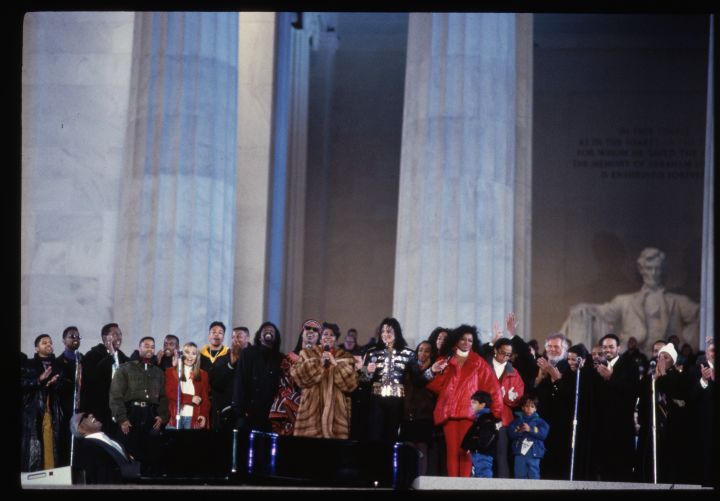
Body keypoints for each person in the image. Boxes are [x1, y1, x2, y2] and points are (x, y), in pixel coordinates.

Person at [565, 247, 700, 355]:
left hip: (668, 355)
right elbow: (604, 312)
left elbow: (702, 314)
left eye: (657, 269)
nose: (653, 273)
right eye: (649, 268)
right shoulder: (625, 301)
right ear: (641, 269)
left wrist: (688, 340)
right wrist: (585, 307)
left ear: (662, 270)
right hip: (633, 353)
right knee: (580, 314)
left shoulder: (677, 301)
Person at [425, 324, 503, 477]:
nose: (467, 342)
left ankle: (464, 488)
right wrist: (434, 374)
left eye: (470, 340)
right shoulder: (445, 359)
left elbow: (492, 387)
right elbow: (436, 385)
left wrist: (496, 413)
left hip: (470, 412)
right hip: (450, 412)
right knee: (452, 451)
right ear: (456, 340)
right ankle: (454, 487)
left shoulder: (478, 362)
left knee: (465, 451)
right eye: (463, 339)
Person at [636, 343, 691, 484]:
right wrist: (654, 380)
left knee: (667, 466)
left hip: (669, 429)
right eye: (660, 356)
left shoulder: (678, 377)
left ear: (672, 362)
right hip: (650, 428)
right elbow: (641, 401)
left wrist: (663, 377)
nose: (661, 360)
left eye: (666, 358)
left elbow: (679, 400)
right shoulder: (649, 378)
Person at [291, 321, 358, 438]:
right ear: (320, 338)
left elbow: (351, 384)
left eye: (331, 335)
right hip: (311, 413)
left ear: (336, 339)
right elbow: (298, 377)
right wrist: (318, 363)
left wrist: (335, 364)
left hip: (336, 414)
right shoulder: (307, 354)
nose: (328, 337)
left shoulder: (345, 357)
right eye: (325, 334)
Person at [109, 336, 168, 467]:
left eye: (152, 347)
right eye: (146, 346)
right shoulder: (125, 368)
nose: (150, 349)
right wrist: (122, 418)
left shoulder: (158, 372)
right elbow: (115, 395)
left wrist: (162, 417)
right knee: (127, 454)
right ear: (139, 347)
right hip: (131, 414)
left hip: (150, 415)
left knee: (151, 455)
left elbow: (163, 397)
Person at [361, 317, 422, 443]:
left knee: (392, 437)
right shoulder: (371, 353)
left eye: (389, 331)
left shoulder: (408, 354)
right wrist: (367, 372)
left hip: (397, 401)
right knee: (374, 437)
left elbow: (418, 380)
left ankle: (390, 462)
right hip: (376, 401)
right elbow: (362, 381)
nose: (385, 334)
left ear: (397, 332)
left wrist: (432, 371)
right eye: (382, 331)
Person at [593, 333, 640, 481]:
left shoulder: (630, 365)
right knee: (603, 471)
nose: (607, 350)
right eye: (605, 347)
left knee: (621, 471)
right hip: (602, 427)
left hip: (622, 427)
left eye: (611, 347)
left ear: (618, 348)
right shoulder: (597, 366)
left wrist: (610, 378)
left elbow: (632, 392)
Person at [21, 334, 65, 472]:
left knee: (53, 448)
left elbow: (67, 386)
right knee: (35, 451)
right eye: (44, 342)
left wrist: (55, 384)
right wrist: (39, 380)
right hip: (33, 414)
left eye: (50, 342)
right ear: (36, 348)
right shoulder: (27, 364)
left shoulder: (59, 365)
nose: (48, 344)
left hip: (54, 413)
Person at [269, 320, 321, 435]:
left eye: (315, 330)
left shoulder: (322, 361)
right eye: (308, 328)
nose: (311, 331)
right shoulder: (289, 358)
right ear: (302, 333)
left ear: (319, 337)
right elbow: (282, 384)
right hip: (290, 409)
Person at [482, 337, 524, 478]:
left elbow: (518, 395)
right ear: (495, 350)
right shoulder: (484, 366)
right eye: (502, 353)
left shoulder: (514, 372)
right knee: (482, 454)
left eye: (508, 354)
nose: (505, 357)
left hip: (504, 419)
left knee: (501, 455)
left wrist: (507, 397)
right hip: (484, 416)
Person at [233, 321, 285, 433]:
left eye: (272, 331)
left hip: (270, 412)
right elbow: (240, 381)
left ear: (275, 337)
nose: (269, 332)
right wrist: (240, 409)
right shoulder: (247, 353)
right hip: (249, 411)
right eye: (265, 330)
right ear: (260, 336)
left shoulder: (280, 358)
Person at [531, 332, 570, 479]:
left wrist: (552, 372)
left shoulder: (568, 365)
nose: (553, 350)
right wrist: (539, 378)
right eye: (550, 347)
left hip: (560, 420)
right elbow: (532, 391)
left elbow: (567, 392)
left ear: (564, 349)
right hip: (541, 419)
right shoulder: (539, 365)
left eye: (557, 347)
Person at [81, 323, 129, 434]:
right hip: (99, 408)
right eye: (115, 334)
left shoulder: (123, 358)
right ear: (104, 337)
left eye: (120, 334)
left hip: (118, 409)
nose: (119, 337)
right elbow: (91, 377)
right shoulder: (92, 355)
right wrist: (110, 356)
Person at [70, 411, 140, 484]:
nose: (91, 415)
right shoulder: (87, 447)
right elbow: (102, 475)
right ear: (81, 430)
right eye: (84, 417)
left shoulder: (109, 438)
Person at [399, 340, 436, 476]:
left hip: (425, 415)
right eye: (420, 350)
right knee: (408, 448)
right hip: (408, 414)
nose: (423, 353)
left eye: (427, 350)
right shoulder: (410, 368)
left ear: (431, 354)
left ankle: (421, 481)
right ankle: (408, 480)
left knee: (422, 449)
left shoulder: (435, 369)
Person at [208, 326, 250, 431]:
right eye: (233, 337)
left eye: (239, 337)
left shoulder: (254, 358)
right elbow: (216, 383)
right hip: (226, 413)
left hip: (248, 414)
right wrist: (230, 365)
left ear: (247, 338)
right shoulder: (222, 359)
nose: (235, 340)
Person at [165, 342, 211, 429]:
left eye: (194, 354)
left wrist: (203, 415)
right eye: (187, 352)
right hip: (176, 417)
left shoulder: (203, 374)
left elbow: (205, 399)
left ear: (197, 357)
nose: (190, 357)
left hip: (193, 418)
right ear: (182, 355)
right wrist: (191, 399)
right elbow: (170, 393)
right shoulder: (172, 371)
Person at [687, 338, 714, 486]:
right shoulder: (695, 370)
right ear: (707, 354)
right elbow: (691, 396)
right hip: (704, 426)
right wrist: (704, 381)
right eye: (712, 351)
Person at [55, 325, 82, 466]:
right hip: (65, 411)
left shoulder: (83, 360)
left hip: (80, 411)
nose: (76, 339)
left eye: (78, 337)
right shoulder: (58, 362)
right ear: (64, 340)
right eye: (72, 336)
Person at [508, 394, 549, 479]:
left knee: (534, 475)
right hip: (520, 453)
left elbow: (543, 434)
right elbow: (511, 433)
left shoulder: (540, 422)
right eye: (527, 406)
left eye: (532, 406)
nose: (529, 408)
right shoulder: (517, 421)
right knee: (519, 475)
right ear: (522, 407)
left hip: (534, 453)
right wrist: (520, 430)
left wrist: (530, 429)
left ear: (535, 408)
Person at [461, 391, 499, 478]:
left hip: (483, 454)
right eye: (471, 402)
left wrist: (473, 445)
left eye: (474, 402)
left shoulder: (487, 419)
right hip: (478, 453)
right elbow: (471, 433)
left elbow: (486, 438)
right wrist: (466, 446)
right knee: (478, 474)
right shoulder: (479, 419)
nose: (471, 405)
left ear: (482, 405)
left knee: (484, 473)